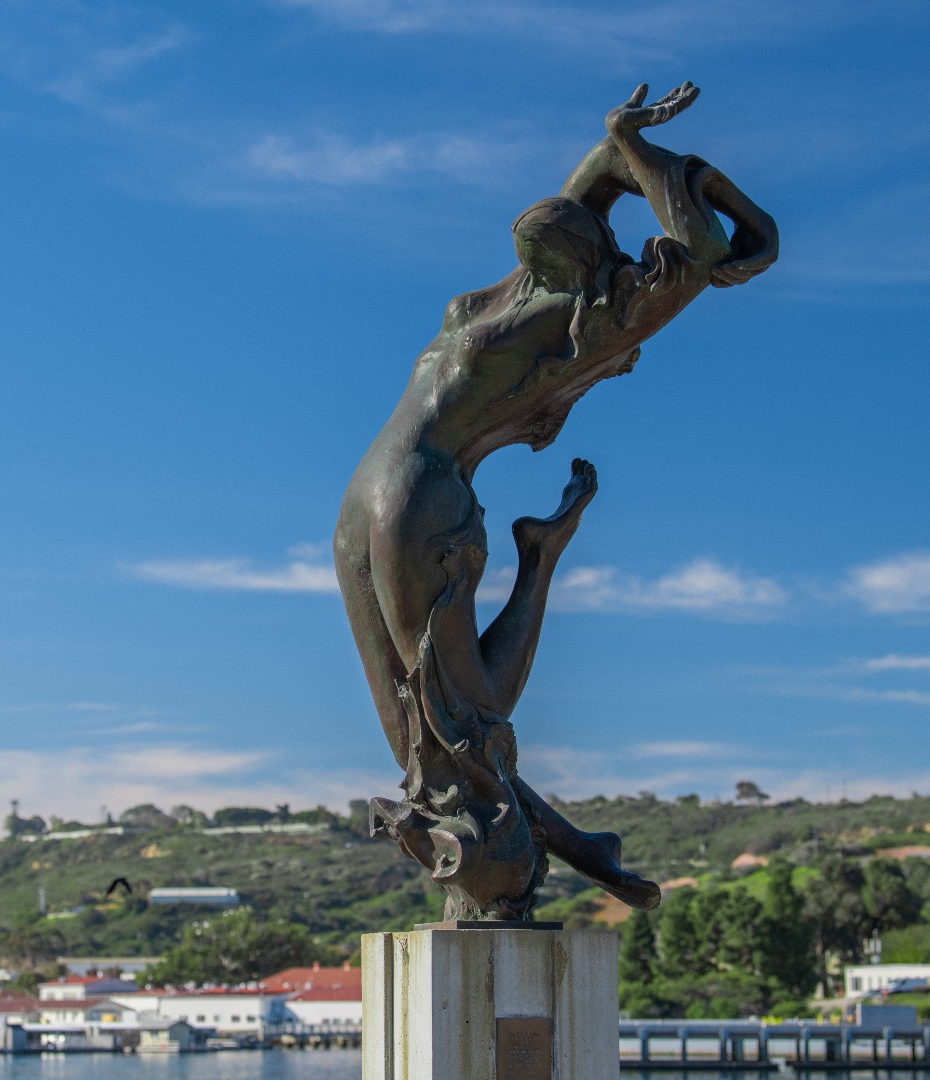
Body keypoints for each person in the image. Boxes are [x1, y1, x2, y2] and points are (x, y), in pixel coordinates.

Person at [334, 83, 777, 920]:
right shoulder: (559, 297)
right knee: (450, 730)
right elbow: (665, 216)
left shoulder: (539, 309)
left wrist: (643, 158)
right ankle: (540, 560)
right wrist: (634, 148)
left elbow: (651, 223)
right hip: (404, 494)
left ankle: (544, 864)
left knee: (433, 740)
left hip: (381, 493)